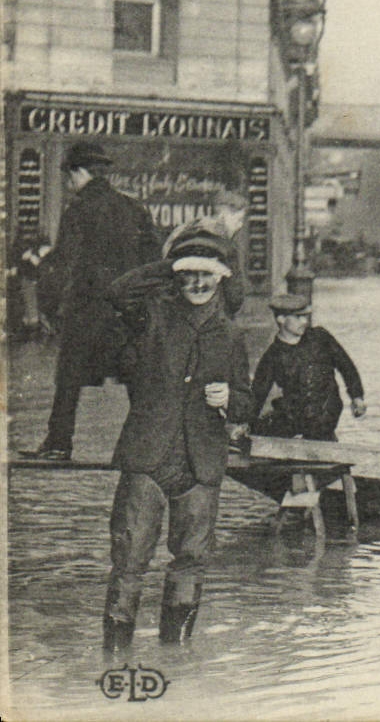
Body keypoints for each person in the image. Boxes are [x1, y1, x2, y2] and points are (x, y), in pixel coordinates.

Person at [101, 231, 253, 654]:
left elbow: (247, 402)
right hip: (148, 456)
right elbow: (118, 292)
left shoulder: (231, 334)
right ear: (177, 278)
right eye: (189, 275)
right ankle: (114, 655)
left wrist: (231, 399)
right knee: (129, 559)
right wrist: (173, 263)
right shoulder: (153, 316)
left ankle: (177, 658)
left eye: (207, 274)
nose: (198, 284)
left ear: (221, 278)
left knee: (191, 561)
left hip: (199, 463)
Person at [23, 142, 160, 462]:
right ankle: (152, 444)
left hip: (86, 313)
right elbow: (153, 261)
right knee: (136, 379)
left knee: (68, 379)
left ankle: (58, 444)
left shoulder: (78, 211)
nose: (69, 183)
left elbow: (63, 265)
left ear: (79, 172)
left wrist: (48, 303)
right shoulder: (134, 209)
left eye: (69, 177)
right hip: (127, 312)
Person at [251, 292, 367, 442]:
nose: (304, 321)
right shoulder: (273, 355)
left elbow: (346, 366)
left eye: (305, 316)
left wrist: (357, 397)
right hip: (295, 419)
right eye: (298, 317)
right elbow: (257, 394)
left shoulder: (320, 338)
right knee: (262, 427)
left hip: (326, 416)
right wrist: (245, 423)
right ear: (281, 319)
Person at [162, 188, 250, 317]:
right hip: (212, 316)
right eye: (239, 219)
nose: (240, 225)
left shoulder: (185, 231)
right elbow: (234, 297)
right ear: (223, 216)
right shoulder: (223, 244)